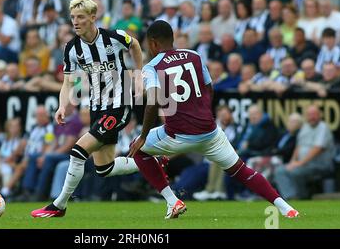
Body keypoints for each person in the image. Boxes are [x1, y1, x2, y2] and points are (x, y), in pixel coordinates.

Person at [128, 20, 299, 219]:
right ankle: (287, 208)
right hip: (209, 131)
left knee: (138, 147)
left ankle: (173, 201)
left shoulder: (152, 67)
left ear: (153, 43)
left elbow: (153, 102)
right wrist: (201, 113)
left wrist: (143, 134)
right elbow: (209, 89)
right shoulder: (195, 56)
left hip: (177, 134)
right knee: (241, 170)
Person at [31, 0, 143, 218]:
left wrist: (138, 74)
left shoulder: (113, 37)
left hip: (119, 105)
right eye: (73, 17)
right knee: (105, 168)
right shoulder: (72, 48)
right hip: (96, 108)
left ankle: (59, 205)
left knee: (78, 151)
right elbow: (68, 82)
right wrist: (62, 105)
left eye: (80, 17)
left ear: (93, 17)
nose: (75, 21)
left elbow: (135, 45)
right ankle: (152, 161)